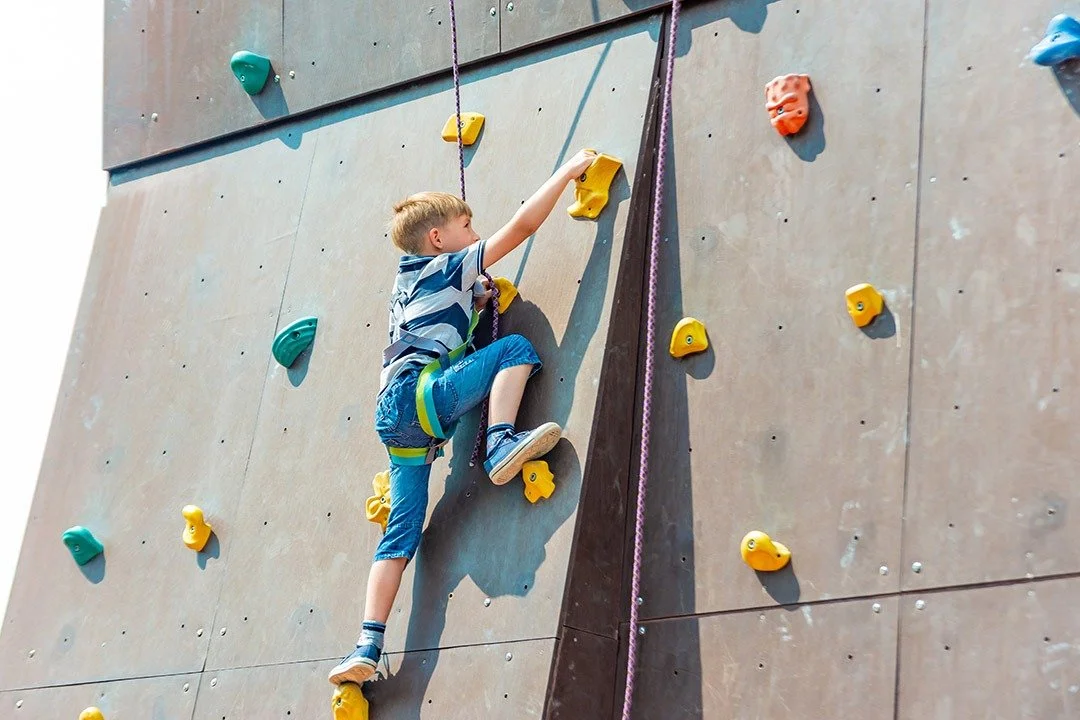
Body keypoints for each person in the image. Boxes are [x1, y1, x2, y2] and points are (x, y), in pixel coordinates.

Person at [328, 149, 598, 686]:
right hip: (422, 398)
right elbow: (521, 227)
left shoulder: (406, 284)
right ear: (437, 238)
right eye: (466, 224)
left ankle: (367, 643)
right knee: (516, 349)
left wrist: (474, 303)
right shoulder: (449, 263)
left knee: (400, 534)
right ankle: (499, 441)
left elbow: (437, 332)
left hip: (397, 419)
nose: (473, 232)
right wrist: (566, 173)